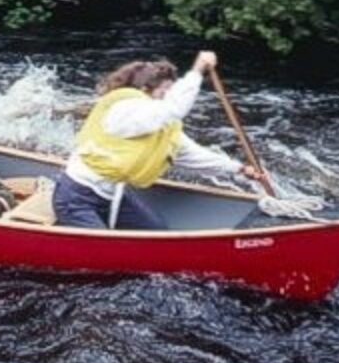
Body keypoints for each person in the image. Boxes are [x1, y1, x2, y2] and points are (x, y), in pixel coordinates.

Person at [53, 50, 266, 230]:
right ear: (145, 90)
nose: (169, 96)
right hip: (76, 197)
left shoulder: (163, 125)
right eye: (165, 91)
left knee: (157, 231)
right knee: (104, 251)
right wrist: (197, 70)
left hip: (113, 195)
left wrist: (239, 169)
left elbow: (192, 155)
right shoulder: (127, 110)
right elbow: (173, 108)